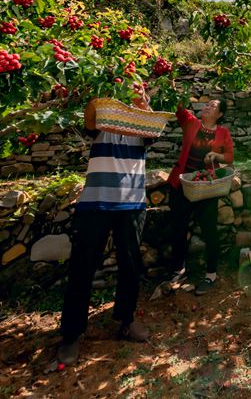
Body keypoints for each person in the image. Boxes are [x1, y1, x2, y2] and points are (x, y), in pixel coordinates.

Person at [57, 85, 153, 366]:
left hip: (132, 203)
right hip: (95, 202)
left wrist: (143, 104)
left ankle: (126, 320)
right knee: (82, 265)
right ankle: (71, 333)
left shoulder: (143, 128)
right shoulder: (102, 123)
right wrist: (100, 97)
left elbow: (151, 131)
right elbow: (90, 120)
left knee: (130, 264)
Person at [166, 98, 234, 293]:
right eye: (206, 104)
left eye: (212, 106)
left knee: (209, 231)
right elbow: (179, 108)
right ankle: (178, 270)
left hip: (206, 187)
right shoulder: (191, 123)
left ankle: (211, 274)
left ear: (220, 114)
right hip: (183, 185)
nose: (206, 107)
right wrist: (171, 86)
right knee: (178, 228)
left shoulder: (223, 133)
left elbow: (229, 157)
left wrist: (216, 156)